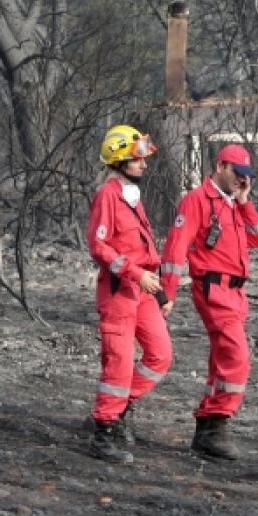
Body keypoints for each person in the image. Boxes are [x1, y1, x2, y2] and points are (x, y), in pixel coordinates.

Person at [160, 143, 258, 460]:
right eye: (238, 173)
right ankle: (217, 425)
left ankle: (206, 427)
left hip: (235, 293)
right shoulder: (197, 201)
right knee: (236, 358)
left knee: (223, 359)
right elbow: (176, 249)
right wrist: (167, 293)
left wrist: (245, 202)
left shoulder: (233, 203)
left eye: (247, 175)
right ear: (220, 166)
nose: (242, 180)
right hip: (214, 290)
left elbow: (257, 236)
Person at [85, 124, 173, 463]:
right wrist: (136, 273)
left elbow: (144, 246)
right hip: (120, 291)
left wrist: (160, 292)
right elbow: (99, 245)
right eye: (138, 159)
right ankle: (103, 432)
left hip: (144, 292)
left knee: (160, 355)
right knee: (119, 363)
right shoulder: (108, 195)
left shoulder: (131, 197)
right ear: (120, 159)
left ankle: (119, 409)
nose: (144, 165)